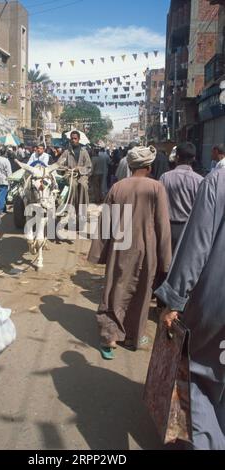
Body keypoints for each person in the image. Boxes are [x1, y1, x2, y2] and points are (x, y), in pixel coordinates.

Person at [155, 168, 225, 450]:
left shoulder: (218, 181)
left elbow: (197, 246)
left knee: (193, 374)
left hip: (215, 304)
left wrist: (173, 301)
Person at [88, 146, 171, 359]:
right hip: (147, 248)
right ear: (149, 167)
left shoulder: (117, 187)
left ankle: (110, 338)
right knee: (142, 292)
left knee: (114, 289)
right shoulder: (156, 187)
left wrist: (99, 253)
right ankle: (134, 336)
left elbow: (105, 221)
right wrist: (166, 260)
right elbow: (163, 224)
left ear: (131, 166)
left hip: (120, 246)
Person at [160, 142, 203, 252]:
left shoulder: (165, 177)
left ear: (177, 157)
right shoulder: (199, 180)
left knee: (167, 264)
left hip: (167, 228)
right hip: (190, 229)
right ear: (193, 158)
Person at [58, 131, 92, 217]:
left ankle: (83, 209)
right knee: (72, 185)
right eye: (72, 138)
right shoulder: (66, 152)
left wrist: (79, 169)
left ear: (79, 139)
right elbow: (58, 165)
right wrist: (66, 169)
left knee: (83, 185)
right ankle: (70, 208)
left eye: (75, 138)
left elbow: (89, 167)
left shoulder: (84, 152)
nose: (73, 140)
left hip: (82, 176)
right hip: (70, 175)